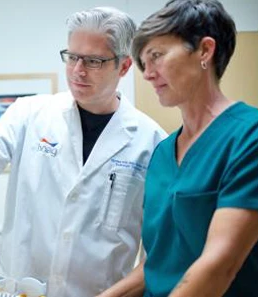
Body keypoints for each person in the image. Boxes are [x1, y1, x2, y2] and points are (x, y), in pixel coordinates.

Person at [0, 7, 166, 297]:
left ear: (124, 66)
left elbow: (156, 250)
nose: (78, 70)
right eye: (72, 57)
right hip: (17, 289)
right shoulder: (30, 113)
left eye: (93, 60)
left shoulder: (151, 141)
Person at [97, 1, 258, 297]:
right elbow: (155, 266)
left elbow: (218, 266)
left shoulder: (249, 136)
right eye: (144, 63)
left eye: (156, 56)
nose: (147, 74)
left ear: (205, 51)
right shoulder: (162, 153)